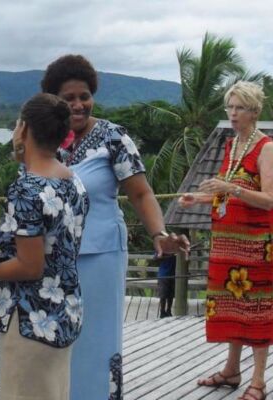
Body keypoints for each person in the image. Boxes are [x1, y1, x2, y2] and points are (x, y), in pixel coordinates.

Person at [40, 54, 190, 399]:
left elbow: (140, 192)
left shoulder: (113, 138)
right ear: (54, 102)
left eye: (84, 96)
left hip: (101, 255)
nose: (78, 105)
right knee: (53, 337)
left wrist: (159, 233)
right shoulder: (43, 140)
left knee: (95, 339)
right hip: (50, 258)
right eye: (68, 98)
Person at [0, 93, 86, 399]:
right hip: (64, 312)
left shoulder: (28, 188)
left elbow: (29, 266)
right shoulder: (71, 179)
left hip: (31, 318)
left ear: (24, 128)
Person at [179, 81, 273, 400]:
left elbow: (269, 200)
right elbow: (225, 195)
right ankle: (232, 371)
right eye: (229, 107)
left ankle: (258, 382)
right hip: (227, 240)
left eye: (239, 108)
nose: (233, 113)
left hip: (255, 243)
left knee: (257, 310)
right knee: (232, 305)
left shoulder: (267, 147)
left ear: (254, 111)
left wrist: (229, 188)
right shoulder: (232, 145)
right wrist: (200, 199)